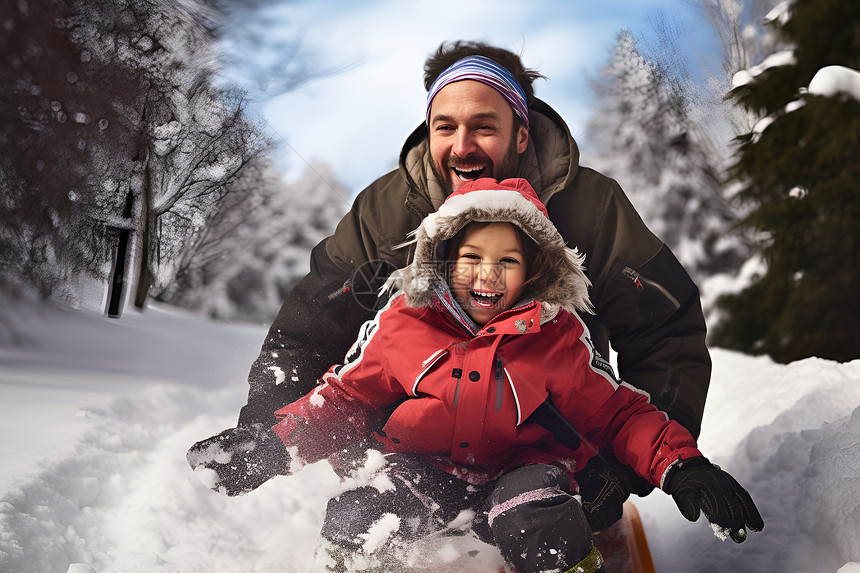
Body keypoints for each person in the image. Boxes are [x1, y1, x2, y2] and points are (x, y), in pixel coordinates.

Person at [206, 40, 714, 531]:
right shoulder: (385, 213)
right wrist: (267, 434)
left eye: (484, 127)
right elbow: (308, 330)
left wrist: (625, 468)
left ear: (521, 134)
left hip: (547, 443)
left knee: (540, 502)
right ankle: (396, 512)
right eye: (445, 126)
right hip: (412, 446)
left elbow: (665, 331)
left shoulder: (591, 207)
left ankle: (546, 508)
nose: (462, 146)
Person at [187, 178, 763, 573]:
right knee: (358, 514)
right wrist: (273, 443)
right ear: (443, 259)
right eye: (471, 257)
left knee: (545, 520)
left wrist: (681, 465)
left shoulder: (554, 337)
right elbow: (345, 400)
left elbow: (619, 412)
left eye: (507, 260)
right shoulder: (403, 326)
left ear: (534, 270)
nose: (487, 274)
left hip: (519, 471)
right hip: (425, 469)